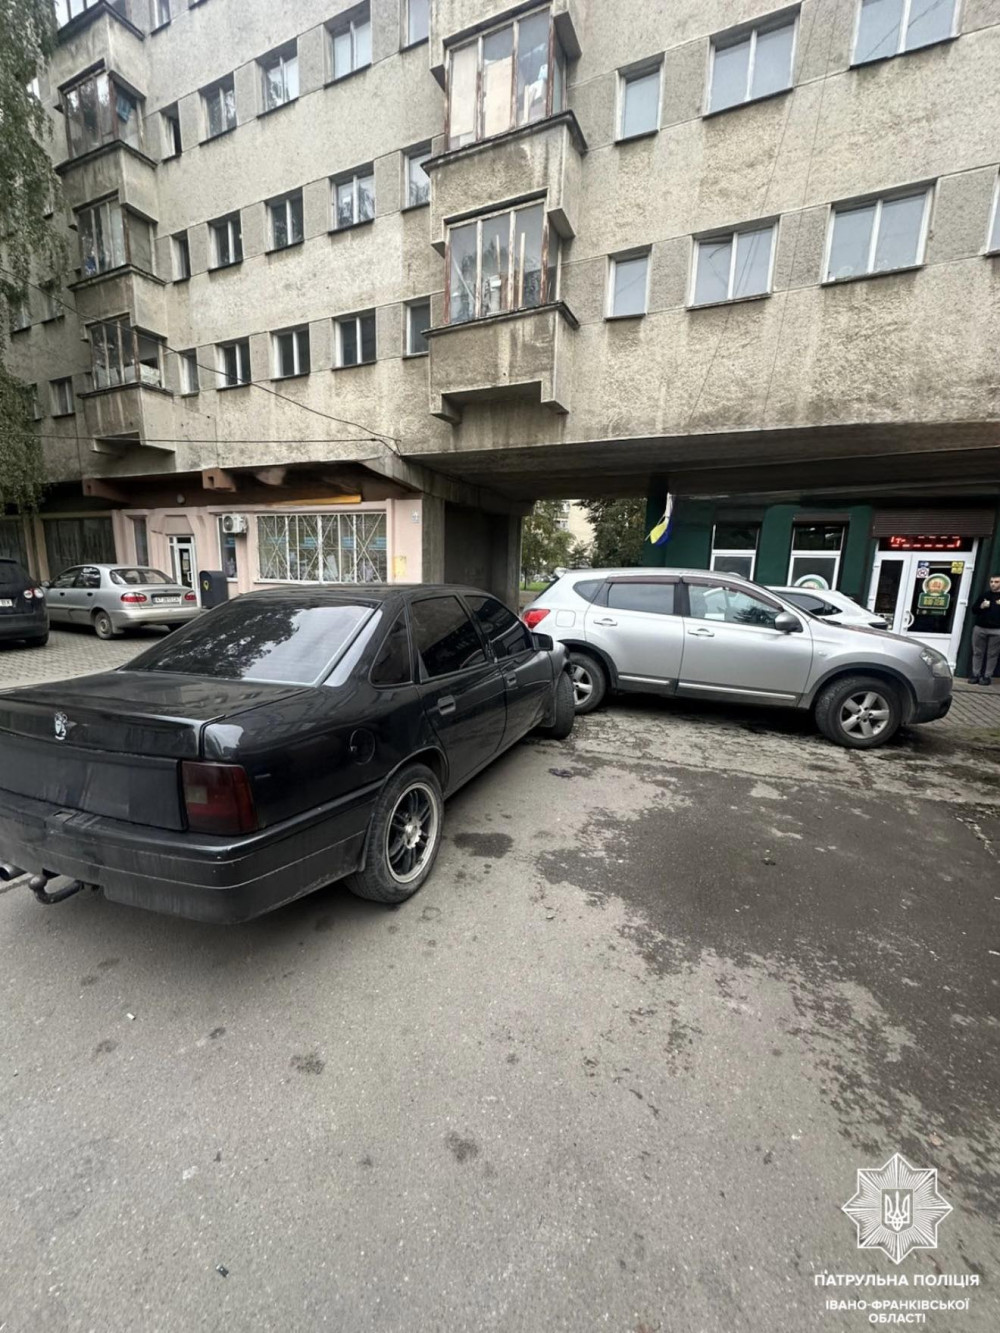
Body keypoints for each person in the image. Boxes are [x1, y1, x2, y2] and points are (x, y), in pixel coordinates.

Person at [969, 574, 1000, 685]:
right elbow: (974, 610)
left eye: (996, 582)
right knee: (977, 652)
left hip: (997, 630)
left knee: (992, 654)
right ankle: (975, 674)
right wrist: (981, 606)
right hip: (980, 628)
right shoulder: (985, 595)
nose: (993, 584)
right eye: (991, 582)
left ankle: (987, 676)